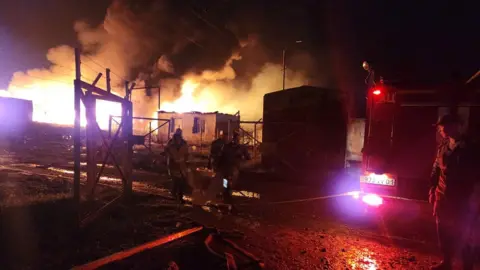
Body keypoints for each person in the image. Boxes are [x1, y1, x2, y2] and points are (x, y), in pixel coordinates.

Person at [429, 114, 479, 270]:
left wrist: (475, 196)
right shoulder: (443, 147)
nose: (442, 129)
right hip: (442, 196)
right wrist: (432, 190)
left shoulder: (472, 147)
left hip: (463, 198)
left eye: (445, 126)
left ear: (457, 126)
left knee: (465, 233)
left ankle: (467, 266)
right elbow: (436, 170)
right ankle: (447, 262)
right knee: (443, 230)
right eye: (441, 127)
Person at [218, 130, 251, 208]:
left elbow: (248, 157)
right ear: (233, 138)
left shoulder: (242, 148)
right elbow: (221, 157)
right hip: (226, 168)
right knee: (225, 182)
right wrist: (218, 167)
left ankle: (228, 197)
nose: (236, 140)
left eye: (237, 138)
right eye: (235, 138)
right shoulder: (226, 147)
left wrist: (242, 158)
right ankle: (226, 196)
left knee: (230, 182)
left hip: (234, 168)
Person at [165, 128, 189, 204]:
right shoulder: (170, 143)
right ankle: (175, 195)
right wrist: (172, 158)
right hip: (173, 165)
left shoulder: (184, 143)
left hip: (181, 166)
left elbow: (187, 154)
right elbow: (166, 152)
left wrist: (185, 160)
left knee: (181, 182)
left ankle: (179, 196)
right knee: (176, 181)